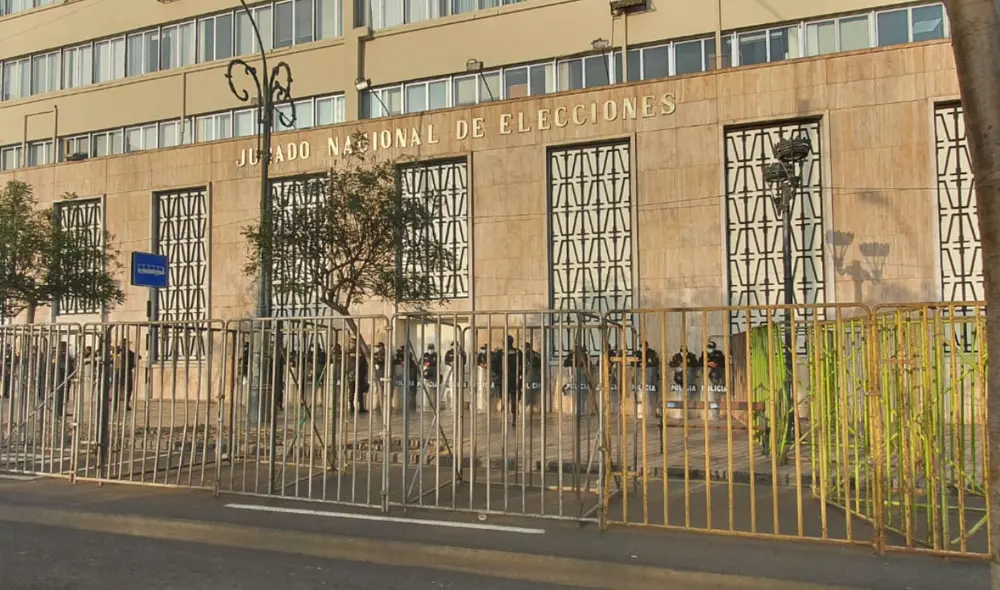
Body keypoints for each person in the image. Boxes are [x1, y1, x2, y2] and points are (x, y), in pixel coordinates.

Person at [503, 335, 523, 426]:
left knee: (505, 399)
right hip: (515, 378)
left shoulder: (501, 352)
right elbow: (523, 366)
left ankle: (506, 418)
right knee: (514, 398)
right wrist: (520, 374)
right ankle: (514, 418)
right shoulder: (518, 352)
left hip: (505, 379)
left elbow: (495, 365)